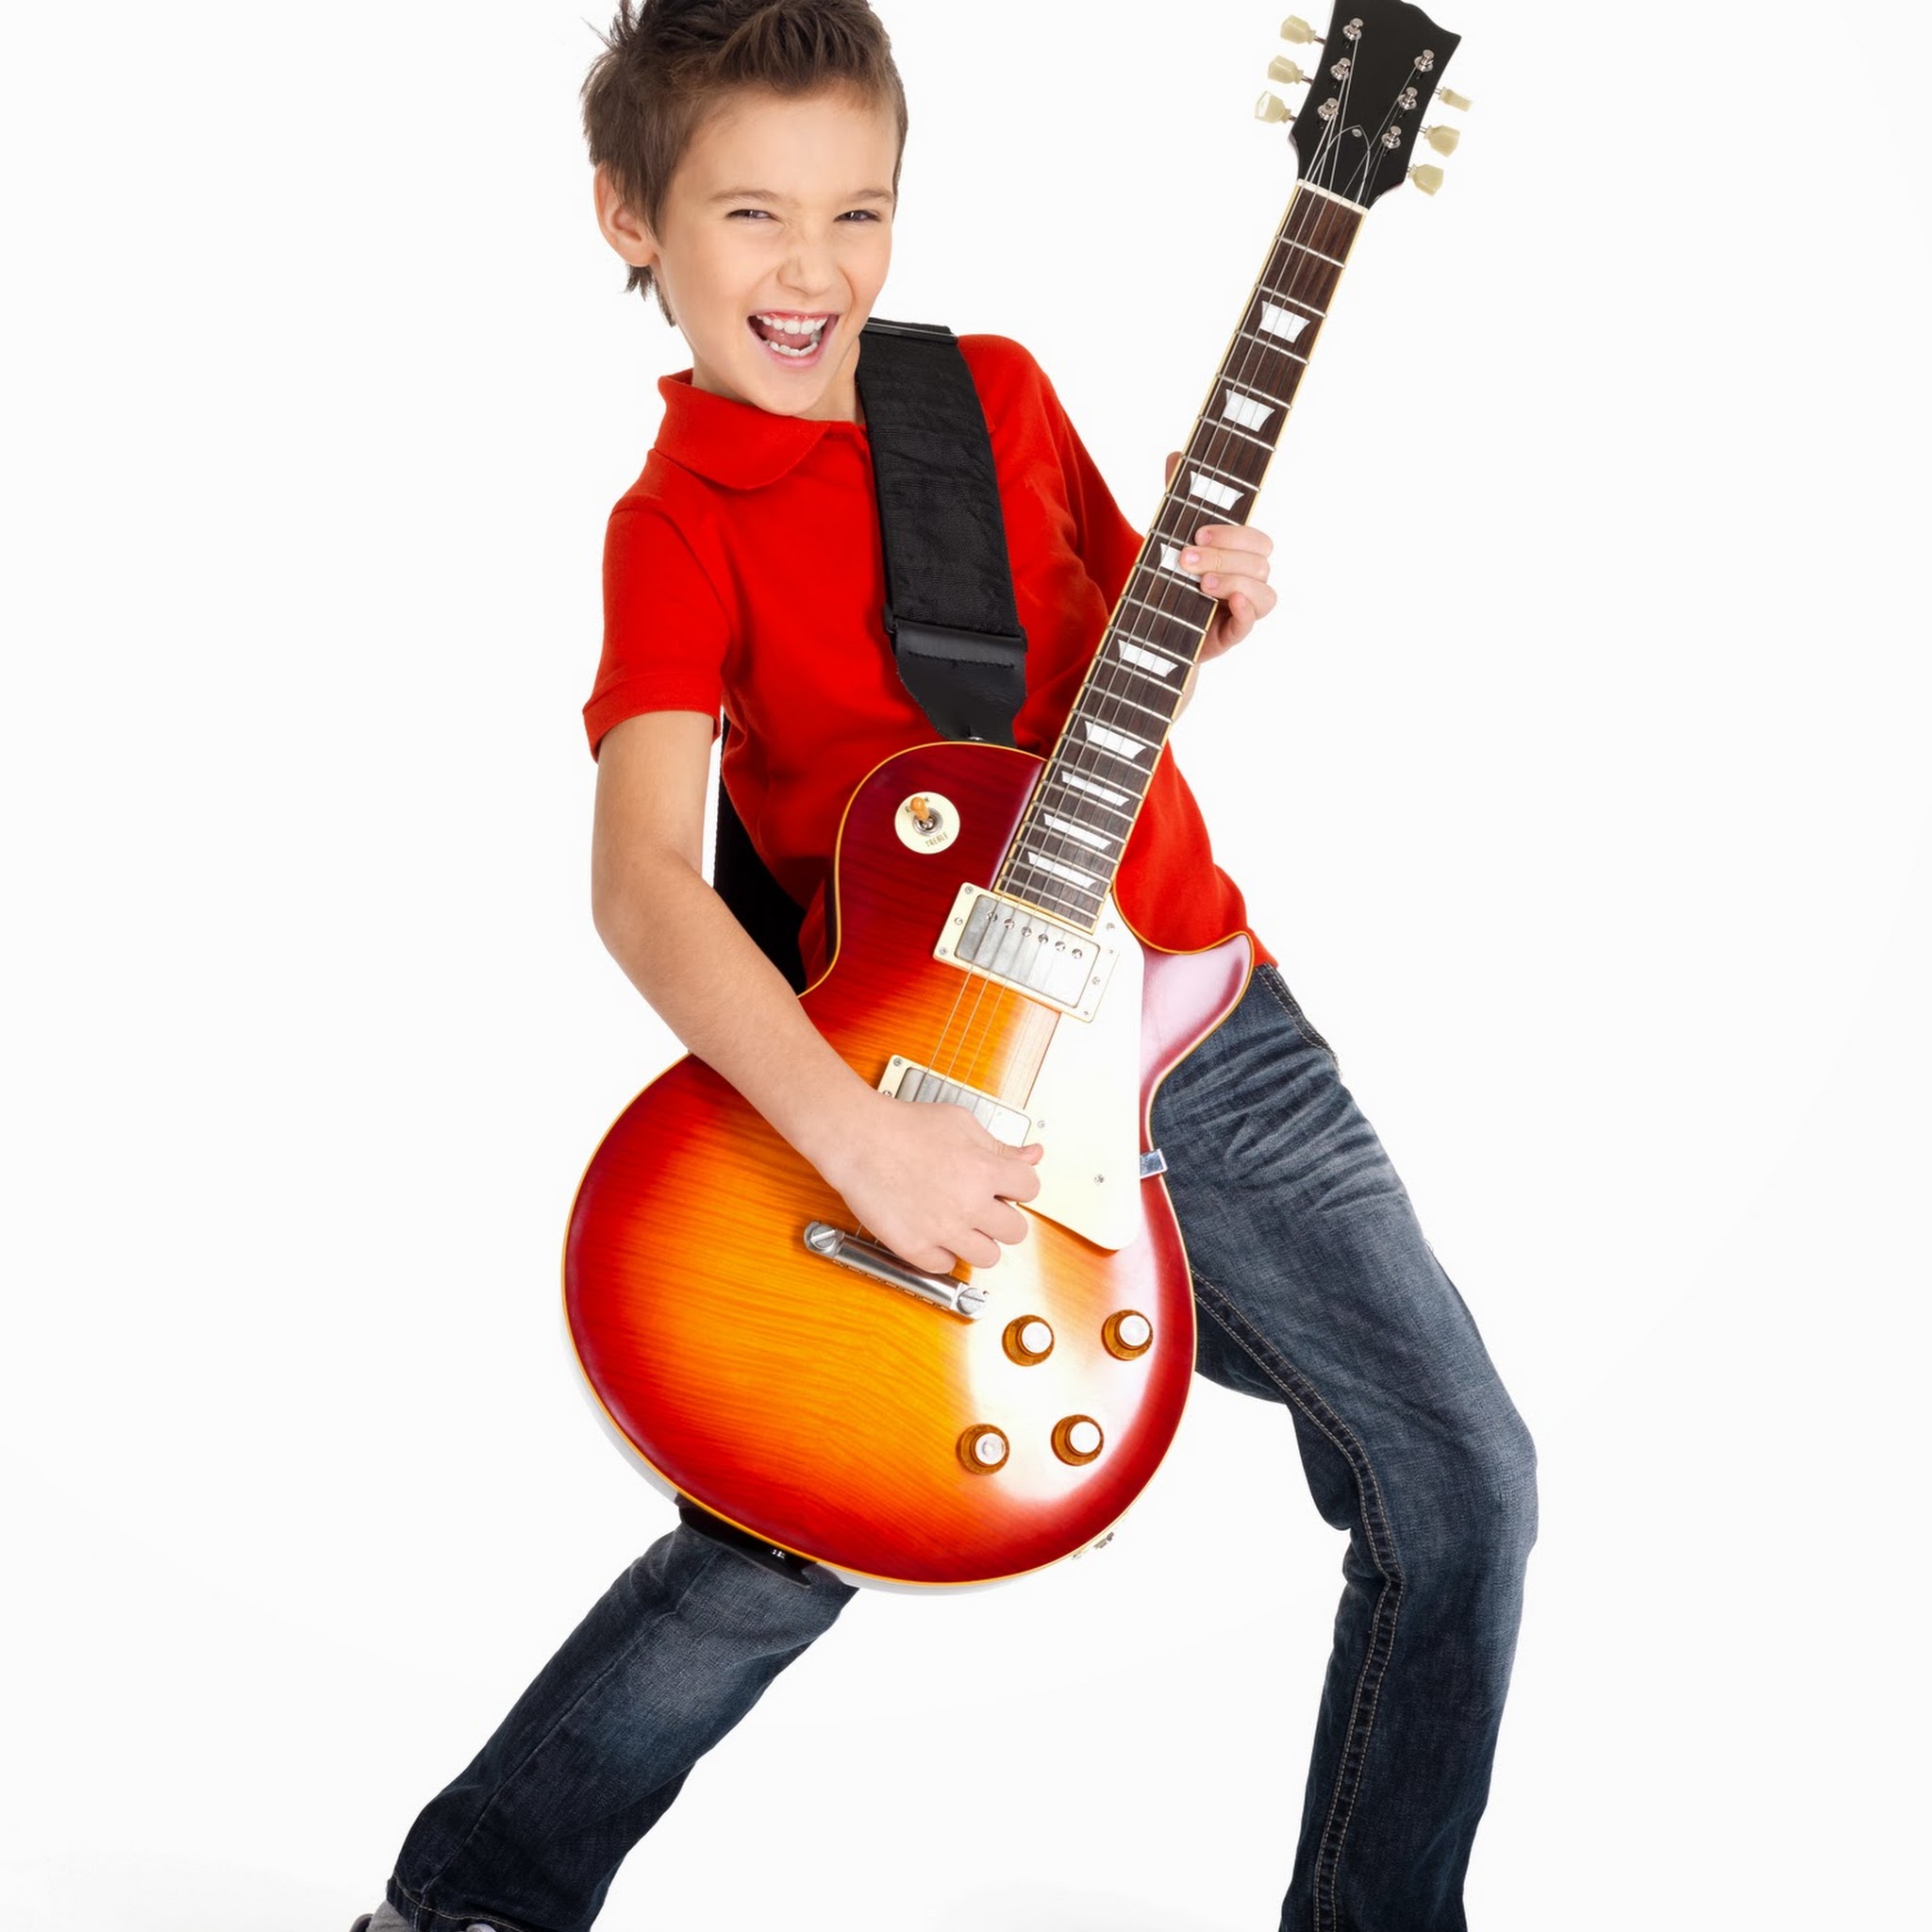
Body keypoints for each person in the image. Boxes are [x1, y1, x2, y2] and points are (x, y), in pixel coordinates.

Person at [357, 4, 1538, 1929]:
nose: (810, 266)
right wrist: (863, 1145)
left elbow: (1088, 712)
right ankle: (470, 1899)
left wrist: (1200, 611)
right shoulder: (674, 528)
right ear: (630, 218)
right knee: (782, 1530)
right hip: (917, 1087)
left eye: (859, 211)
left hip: (1200, 1025)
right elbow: (642, 883)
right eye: (750, 213)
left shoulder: (985, 393)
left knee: (1462, 1479)